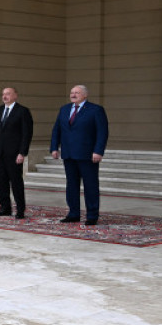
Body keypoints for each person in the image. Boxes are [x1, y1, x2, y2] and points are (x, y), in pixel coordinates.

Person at [50, 84, 109, 225]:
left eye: (77, 92)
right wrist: (54, 148)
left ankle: (92, 215)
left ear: (85, 95)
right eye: (72, 92)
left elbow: (102, 132)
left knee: (90, 186)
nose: (73, 94)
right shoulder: (64, 109)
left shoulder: (96, 110)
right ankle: (73, 213)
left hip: (87, 155)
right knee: (71, 185)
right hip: (69, 154)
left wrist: (98, 151)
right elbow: (56, 130)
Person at [0, 87, 33, 219]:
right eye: (3, 94)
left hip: (15, 154)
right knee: (1, 182)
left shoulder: (22, 111)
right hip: (0, 153)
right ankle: (5, 208)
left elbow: (27, 134)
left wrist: (22, 152)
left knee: (16, 182)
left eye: (8, 94)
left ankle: (20, 209)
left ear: (15, 96)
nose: (5, 96)